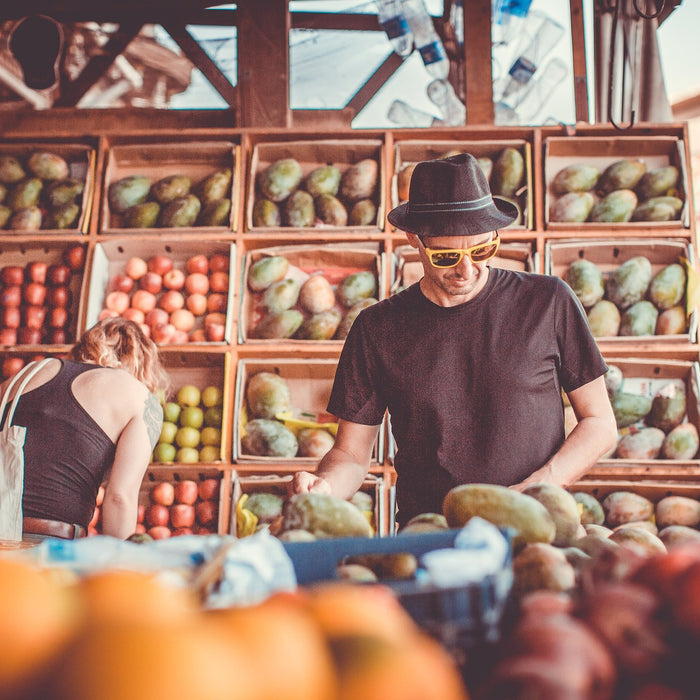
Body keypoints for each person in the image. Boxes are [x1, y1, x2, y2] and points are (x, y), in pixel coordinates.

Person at [291, 152, 618, 527]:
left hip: (536, 527)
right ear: (414, 239)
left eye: (482, 250)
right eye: (446, 255)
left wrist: (539, 485)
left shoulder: (548, 302)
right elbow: (350, 453)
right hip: (430, 532)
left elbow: (599, 422)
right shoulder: (377, 328)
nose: (466, 270)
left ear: (496, 234)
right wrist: (325, 487)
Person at [0, 317, 169, 540]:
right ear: (141, 365)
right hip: (48, 547)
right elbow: (120, 497)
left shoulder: (27, 374)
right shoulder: (139, 397)